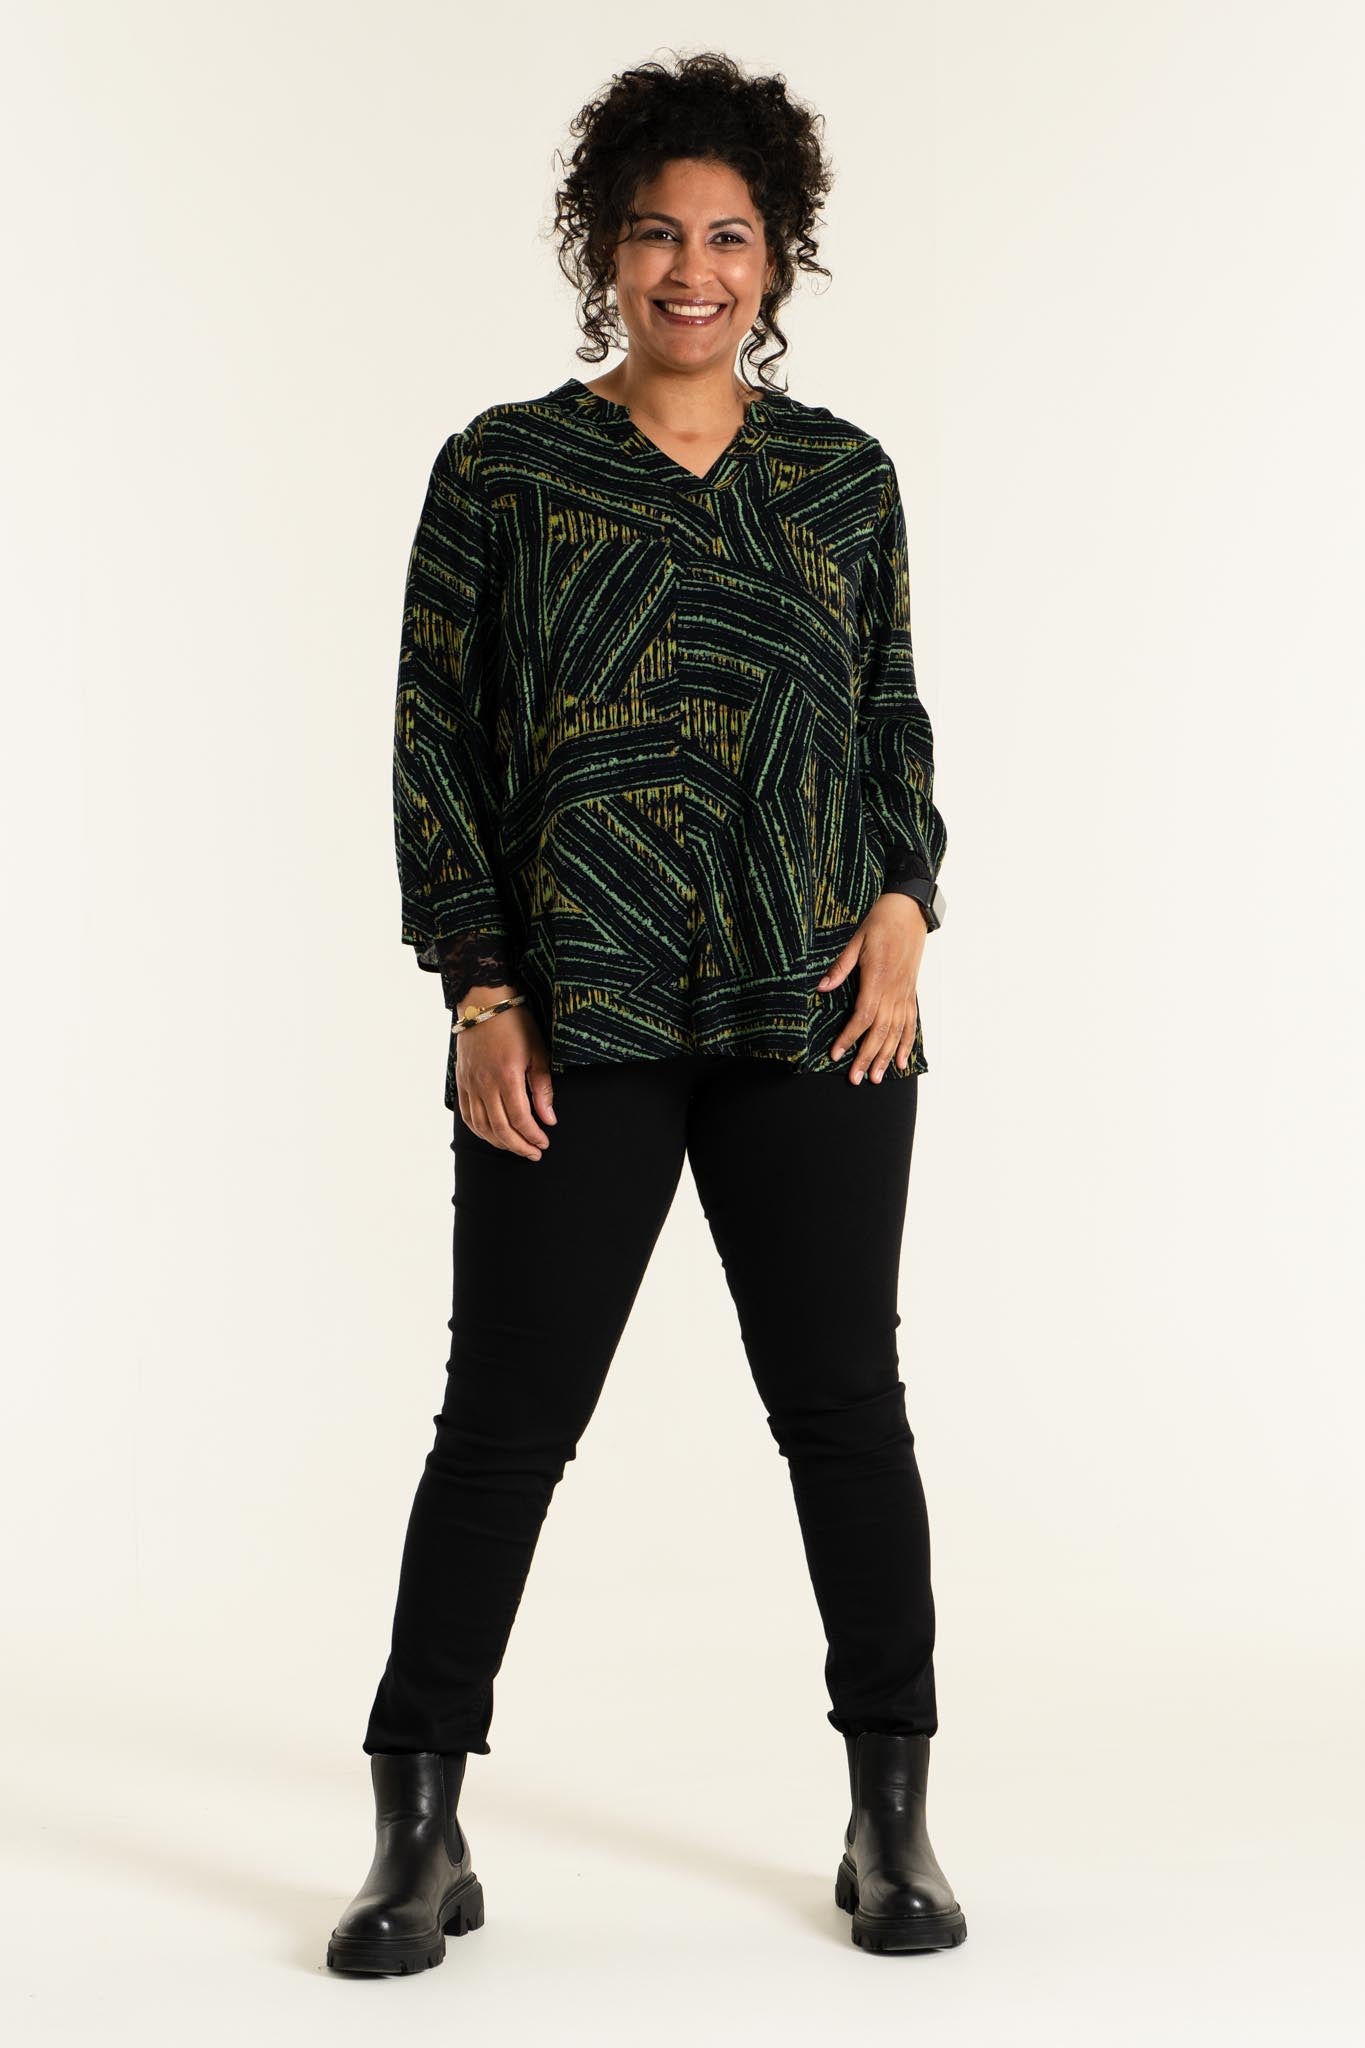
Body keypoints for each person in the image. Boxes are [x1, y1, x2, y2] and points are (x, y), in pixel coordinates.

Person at [326, 50, 965, 1974]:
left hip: (813, 1008)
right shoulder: (504, 471)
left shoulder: (840, 479)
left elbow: (889, 722)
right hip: (576, 1009)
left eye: (729, 237)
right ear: (602, 252)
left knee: (841, 1408)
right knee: (505, 1420)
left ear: (779, 258)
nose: (692, 270)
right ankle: (417, 1827)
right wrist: (479, 986)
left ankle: (890, 1815)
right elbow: (434, 744)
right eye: (656, 234)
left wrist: (905, 910)